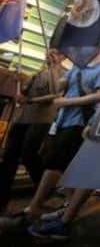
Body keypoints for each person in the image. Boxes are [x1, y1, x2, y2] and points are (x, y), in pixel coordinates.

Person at [24, 42, 100, 240]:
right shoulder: (76, 68)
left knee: (58, 165)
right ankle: (60, 211)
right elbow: (59, 87)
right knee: (62, 166)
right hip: (63, 121)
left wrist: (69, 103)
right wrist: (56, 66)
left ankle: (39, 209)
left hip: (82, 123)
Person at [0, 49, 66, 215]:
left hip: (41, 119)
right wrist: (20, 86)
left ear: (63, 56)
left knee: (29, 154)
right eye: (50, 53)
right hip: (22, 118)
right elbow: (23, 95)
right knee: (9, 158)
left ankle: (44, 190)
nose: (50, 55)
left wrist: (55, 66)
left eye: (56, 53)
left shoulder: (62, 73)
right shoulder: (38, 72)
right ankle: (2, 201)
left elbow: (54, 94)